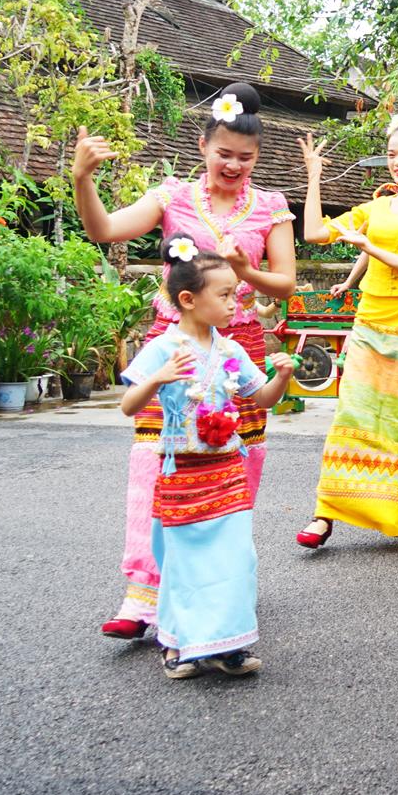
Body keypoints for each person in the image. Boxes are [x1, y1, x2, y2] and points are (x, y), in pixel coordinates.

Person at [72, 83, 296, 642]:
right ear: (203, 145)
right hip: (173, 347)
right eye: (224, 153)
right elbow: (103, 230)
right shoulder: (170, 197)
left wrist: (246, 275)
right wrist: (82, 179)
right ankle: (143, 592)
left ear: (257, 157)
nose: (233, 165)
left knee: (233, 467)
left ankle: (222, 583)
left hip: (237, 347)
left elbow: (286, 284)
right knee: (158, 463)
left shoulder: (271, 207)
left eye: (245, 158)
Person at [117, 251, 301, 679]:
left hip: (227, 471)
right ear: (187, 299)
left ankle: (230, 643)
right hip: (181, 472)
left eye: (234, 294)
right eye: (224, 295)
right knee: (183, 562)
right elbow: (129, 406)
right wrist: (157, 379)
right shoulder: (162, 348)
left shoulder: (232, 349)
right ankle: (177, 642)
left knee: (236, 559)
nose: (234, 303)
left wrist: (282, 378)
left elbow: (261, 399)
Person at [295, 113, 398, 548]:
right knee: (353, 412)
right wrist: (314, 177)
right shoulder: (376, 207)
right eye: (391, 155)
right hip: (370, 320)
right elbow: (314, 232)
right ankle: (325, 513)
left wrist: (370, 246)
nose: (397, 163)